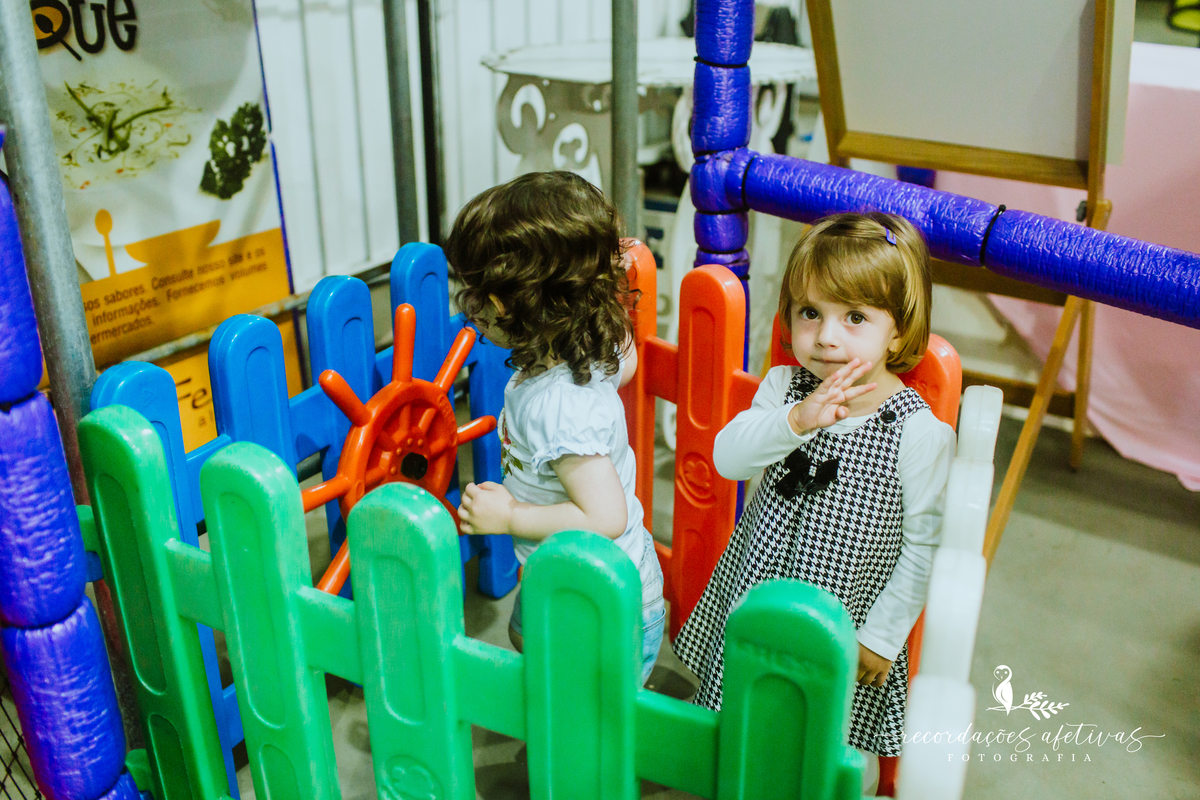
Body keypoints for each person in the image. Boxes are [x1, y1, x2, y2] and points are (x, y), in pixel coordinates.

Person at [672, 212, 955, 791]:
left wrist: (882, 634)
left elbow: (925, 545)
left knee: (836, 742)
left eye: (855, 318)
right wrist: (796, 421)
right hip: (757, 598)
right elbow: (728, 459)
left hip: (846, 622)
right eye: (810, 313)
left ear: (897, 332)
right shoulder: (784, 390)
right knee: (743, 714)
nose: (827, 336)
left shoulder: (918, 433)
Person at [446, 170, 666, 685]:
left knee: (591, 722)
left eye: (477, 290)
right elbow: (626, 363)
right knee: (526, 640)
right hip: (568, 574)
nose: (471, 304)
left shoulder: (560, 406)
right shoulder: (586, 346)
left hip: (606, 602)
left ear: (504, 304)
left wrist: (511, 515)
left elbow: (606, 515)